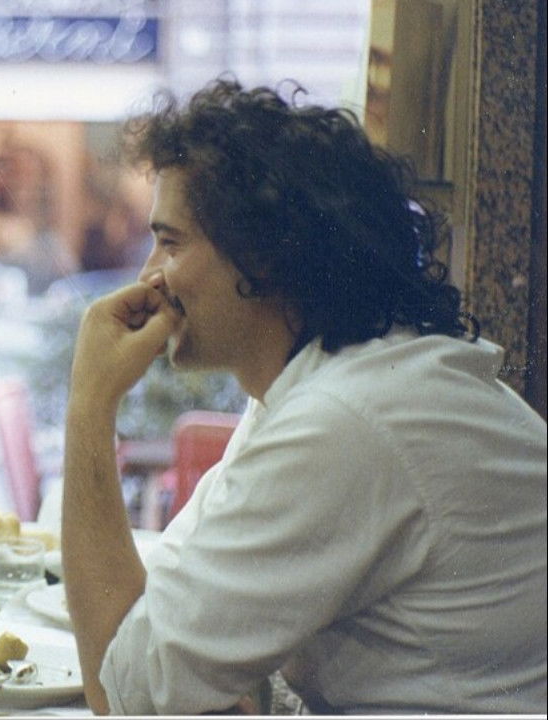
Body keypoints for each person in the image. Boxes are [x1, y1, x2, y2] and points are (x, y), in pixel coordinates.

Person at [61, 78, 546, 715]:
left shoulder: (343, 421)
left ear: (261, 255)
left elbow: (128, 695)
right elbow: (170, 620)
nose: (149, 275)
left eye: (171, 242)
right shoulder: (316, 385)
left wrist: (89, 407)